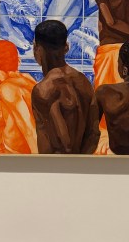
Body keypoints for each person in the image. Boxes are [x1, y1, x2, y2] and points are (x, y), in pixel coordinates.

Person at [31, 19, 100, 154]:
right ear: (66, 47)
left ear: (37, 49)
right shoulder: (84, 82)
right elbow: (94, 133)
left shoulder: (43, 90)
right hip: (81, 162)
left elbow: (63, 143)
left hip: (54, 164)